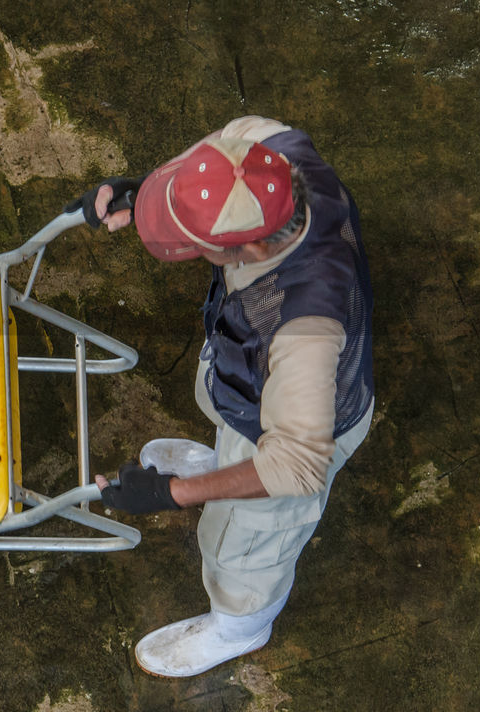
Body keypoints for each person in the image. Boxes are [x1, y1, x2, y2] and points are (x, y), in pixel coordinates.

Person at [79, 116, 374, 678]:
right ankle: (227, 462)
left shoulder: (306, 327)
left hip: (298, 431)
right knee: (225, 417)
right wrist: (150, 192)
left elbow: (297, 465)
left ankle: (240, 626)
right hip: (255, 380)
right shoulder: (275, 150)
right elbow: (224, 148)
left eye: (200, 248)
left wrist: (173, 493)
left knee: (240, 545)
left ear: (254, 244)